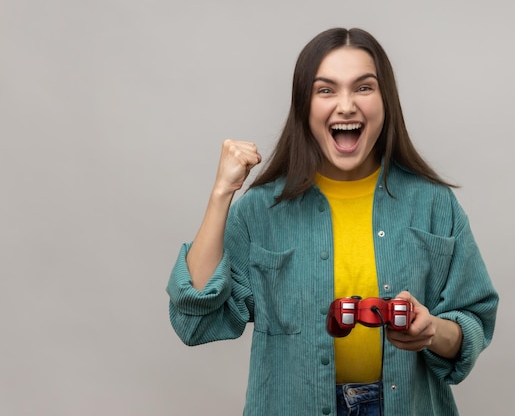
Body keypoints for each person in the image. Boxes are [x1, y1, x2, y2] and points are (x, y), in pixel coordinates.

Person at [167, 27, 498, 416]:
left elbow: (474, 320)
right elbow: (196, 322)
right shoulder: (260, 211)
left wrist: (433, 332)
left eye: (363, 88)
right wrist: (221, 194)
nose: (345, 106)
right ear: (304, 106)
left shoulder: (433, 204)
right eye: (326, 90)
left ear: (385, 101)